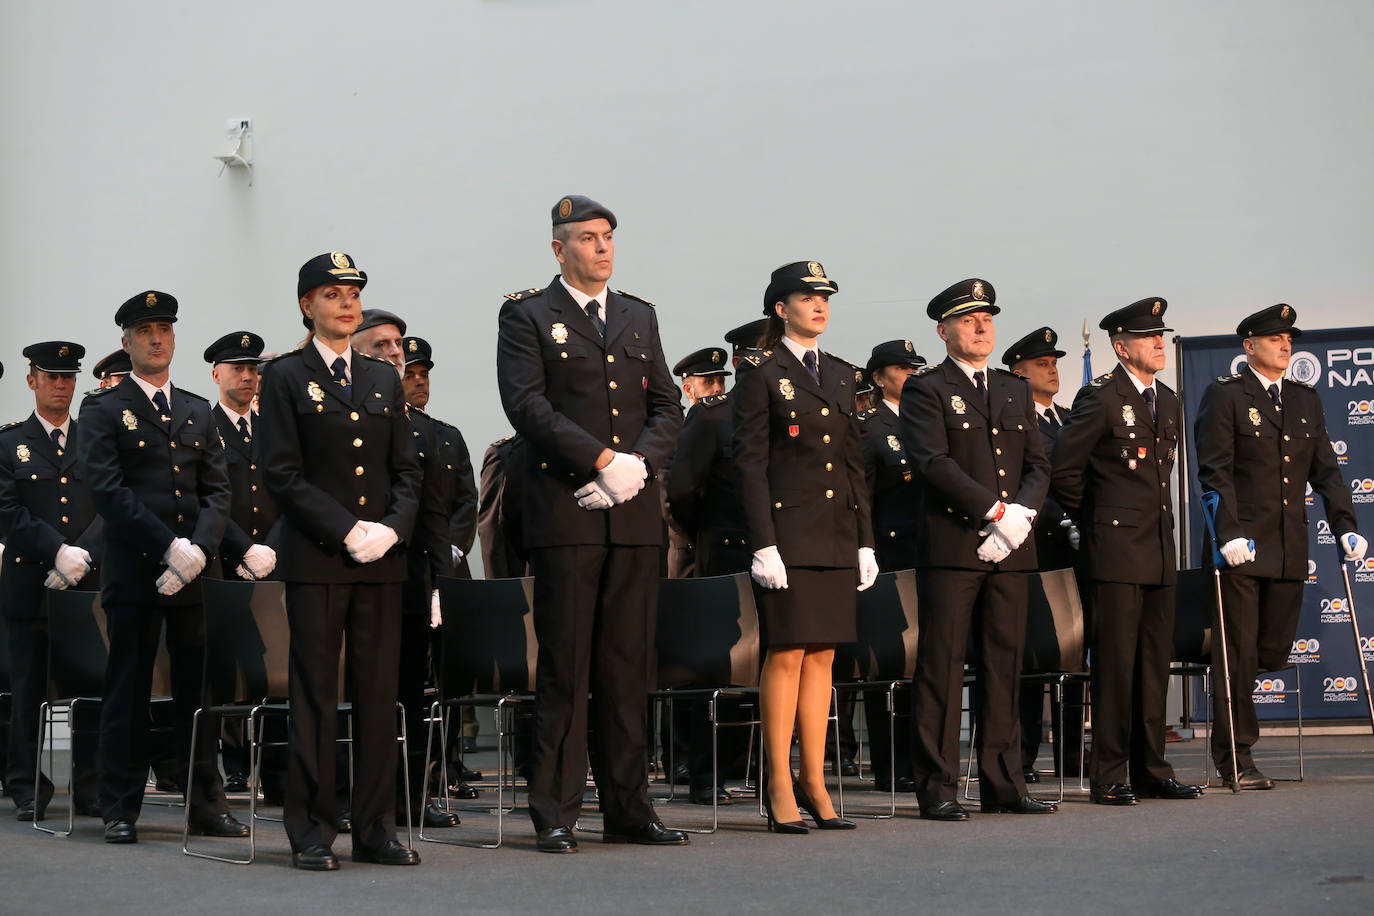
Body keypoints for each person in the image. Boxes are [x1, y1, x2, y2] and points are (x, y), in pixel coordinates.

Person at [495, 195, 686, 853]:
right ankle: (555, 809)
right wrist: (602, 460)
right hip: (567, 512)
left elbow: (667, 402)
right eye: (587, 238)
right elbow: (527, 405)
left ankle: (631, 808)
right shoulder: (527, 314)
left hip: (631, 518)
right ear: (559, 249)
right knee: (566, 667)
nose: (602, 248)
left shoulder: (639, 315)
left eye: (608, 237)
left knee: (628, 668)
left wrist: (638, 465)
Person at [258, 253, 422, 870]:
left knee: (380, 696)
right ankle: (311, 830)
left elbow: (406, 470)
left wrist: (389, 530)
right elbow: (281, 473)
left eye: (353, 292)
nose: (347, 303)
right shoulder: (283, 377)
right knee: (316, 698)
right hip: (320, 560)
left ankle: (377, 828)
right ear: (307, 305)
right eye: (332, 293)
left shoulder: (382, 378)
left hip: (381, 562)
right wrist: (346, 528)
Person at [76, 291, 246, 844]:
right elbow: (107, 489)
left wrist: (196, 550)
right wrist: (166, 549)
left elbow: (217, 491)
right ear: (126, 342)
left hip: (197, 575)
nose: (156, 339)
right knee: (128, 688)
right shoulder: (102, 408)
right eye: (145, 330)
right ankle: (120, 805)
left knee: (200, 694)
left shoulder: (198, 409)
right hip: (136, 571)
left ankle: (205, 803)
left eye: (165, 329)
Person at [900, 278, 1057, 821]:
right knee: (942, 668)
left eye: (987, 317)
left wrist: (1020, 517)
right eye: (969, 320)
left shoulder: (1014, 389)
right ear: (943, 331)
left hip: (1012, 546)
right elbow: (933, 462)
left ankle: (1004, 783)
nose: (982, 326)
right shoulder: (928, 388)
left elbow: (1038, 464)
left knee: (1003, 665)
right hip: (952, 546)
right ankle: (938, 786)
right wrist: (994, 512)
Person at [1195, 303, 1366, 788]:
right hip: (1243, 551)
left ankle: (1241, 741)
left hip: (1290, 549)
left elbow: (1326, 471)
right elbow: (1214, 471)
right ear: (1249, 346)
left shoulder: (1304, 399)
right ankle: (1236, 756)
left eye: (1289, 338)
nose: (1286, 344)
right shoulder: (1225, 396)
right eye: (1274, 338)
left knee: (1271, 651)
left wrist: (1345, 524)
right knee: (1239, 655)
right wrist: (1226, 533)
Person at [733, 259, 877, 834]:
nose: (818, 305)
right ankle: (777, 782)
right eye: (806, 297)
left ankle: (815, 780)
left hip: (836, 532)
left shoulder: (842, 374)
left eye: (824, 297)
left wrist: (866, 540)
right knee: (787, 653)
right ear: (780, 308)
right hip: (788, 534)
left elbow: (853, 464)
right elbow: (749, 464)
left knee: (824, 656)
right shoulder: (761, 371)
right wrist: (762, 543)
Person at [1050, 297, 1203, 805]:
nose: (1159, 343)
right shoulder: (1100, 397)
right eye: (1147, 337)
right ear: (1121, 347)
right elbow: (1064, 471)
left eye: (1161, 335)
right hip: (1114, 552)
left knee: (1153, 666)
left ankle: (1151, 769)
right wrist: (1095, 521)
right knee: (1116, 666)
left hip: (1159, 552)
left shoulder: (1170, 400)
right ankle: (1111, 774)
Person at [352, 312, 462, 830]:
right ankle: (350, 796)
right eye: (381, 346)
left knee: (410, 695)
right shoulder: (347, 418)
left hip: (411, 578)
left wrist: (441, 583)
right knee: (354, 693)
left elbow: (437, 514)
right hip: (351, 572)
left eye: (397, 345)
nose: (395, 354)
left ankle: (410, 795)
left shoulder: (427, 431)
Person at [0, 341, 102, 821]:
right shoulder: (8, 442)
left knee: (92, 691)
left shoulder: (94, 441)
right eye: (51, 376)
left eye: (68, 376)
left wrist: (82, 553)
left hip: (88, 585)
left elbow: (112, 504)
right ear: (32, 381)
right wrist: (55, 552)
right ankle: (25, 786)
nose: (61, 385)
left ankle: (91, 784)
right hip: (30, 587)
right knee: (28, 690)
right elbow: (8, 511)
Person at [1002, 326, 1083, 783]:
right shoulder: (1015, 421)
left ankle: (1072, 754)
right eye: (1041, 364)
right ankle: (1026, 756)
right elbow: (1024, 482)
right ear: (1018, 371)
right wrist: (1057, 517)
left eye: (1054, 363)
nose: (1052, 370)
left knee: (1072, 657)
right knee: (1032, 658)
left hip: (1073, 554)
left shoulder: (1069, 419)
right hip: (1035, 547)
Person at [663, 345, 742, 804]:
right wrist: (702, 535)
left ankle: (733, 763)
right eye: (708, 383)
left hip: (724, 552)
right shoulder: (683, 425)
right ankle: (691, 763)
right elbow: (678, 495)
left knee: (735, 667)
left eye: (720, 382)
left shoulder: (731, 418)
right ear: (687, 387)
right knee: (694, 667)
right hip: (692, 553)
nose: (716, 390)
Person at [202, 331, 281, 794]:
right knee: (231, 666)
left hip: (273, 561)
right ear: (216, 374)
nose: (248, 377)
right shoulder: (203, 427)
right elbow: (207, 499)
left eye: (252, 369)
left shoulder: (273, 426)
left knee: (275, 663)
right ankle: (233, 761)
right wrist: (243, 551)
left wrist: (270, 549)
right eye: (237, 369)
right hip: (225, 561)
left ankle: (275, 764)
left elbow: (287, 490)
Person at [855, 338, 925, 793]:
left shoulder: (929, 422)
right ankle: (890, 764)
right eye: (902, 370)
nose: (912, 376)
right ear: (879, 379)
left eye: (916, 369)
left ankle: (922, 759)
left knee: (924, 662)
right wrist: (864, 548)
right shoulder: (868, 425)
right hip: (887, 553)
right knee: (888, 661)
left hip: (928, 553)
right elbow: (859, 494)